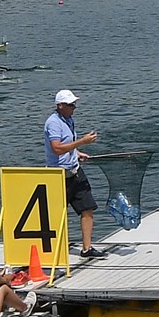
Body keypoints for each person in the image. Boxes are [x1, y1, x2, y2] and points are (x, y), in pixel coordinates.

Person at [44, 89, 101, 256]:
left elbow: (67, 145)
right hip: (58, 175)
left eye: (74, 104)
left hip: (75, 171)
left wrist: (77, 153)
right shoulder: (53, 123)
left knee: (88, 208)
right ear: (60, 105)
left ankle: (87, 248)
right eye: (70, 104)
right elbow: (56, 149)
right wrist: (82, 142)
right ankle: (56, 247)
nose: (74, 107)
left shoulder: (69, 120)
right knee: (57, 213)